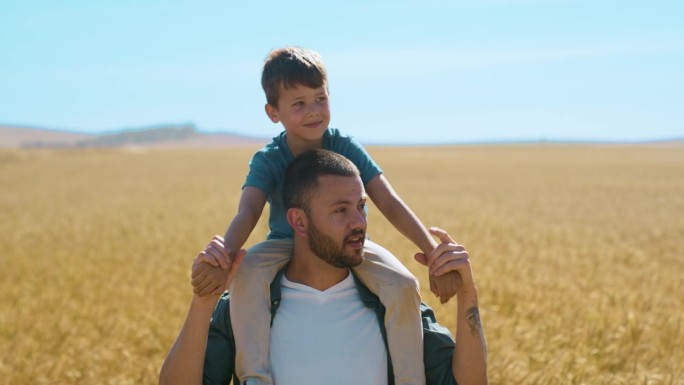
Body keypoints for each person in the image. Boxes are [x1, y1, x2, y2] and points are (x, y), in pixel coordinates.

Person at [192, 47, 461, 385]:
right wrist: (223, 255)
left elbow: (388, 201)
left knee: (404, 284)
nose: (313, 111)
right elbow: (248, 210)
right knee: (245, 275)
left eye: (320, 98)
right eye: (299, 103)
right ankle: (254, 377)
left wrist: (433, 252)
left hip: (343, 242)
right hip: (283, 245)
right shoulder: (269, 158)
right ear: (272, 112)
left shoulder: (345, 146)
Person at [160, 149, 488, 385]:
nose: (359, 222)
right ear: (298, 221)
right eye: (341, 210)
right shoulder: (247, 305)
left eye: (361, 207)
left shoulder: (391, 302)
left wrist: (468, 295)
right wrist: (203, 303)